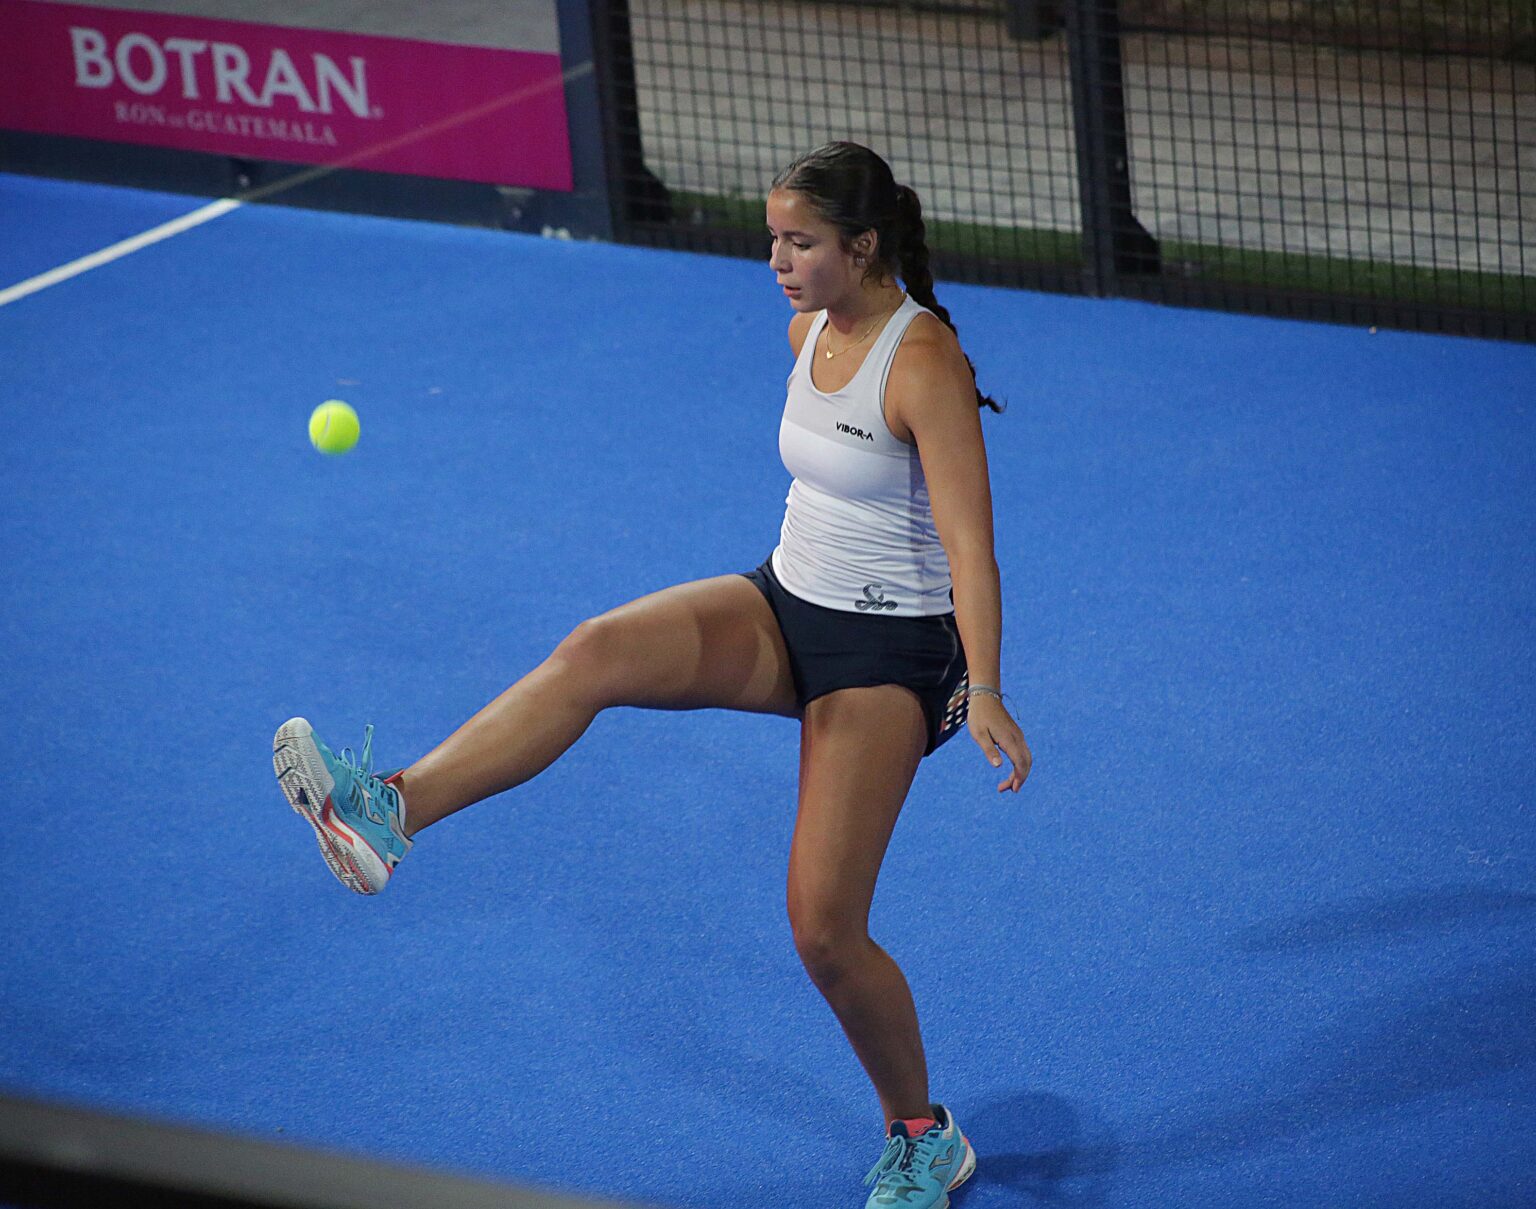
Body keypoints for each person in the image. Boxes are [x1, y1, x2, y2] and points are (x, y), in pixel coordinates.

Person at [272, 140, 1031, 1208]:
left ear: (863, 247)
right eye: (773, 239)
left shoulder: (924, 363)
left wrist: (984, 687)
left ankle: (922, 1135)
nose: (777, 261)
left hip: (888, 652)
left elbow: (970, 548)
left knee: (823, 930)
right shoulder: (807, 328)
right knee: (596, 649)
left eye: (800, 242)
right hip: (785, 599)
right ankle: (391, 810)